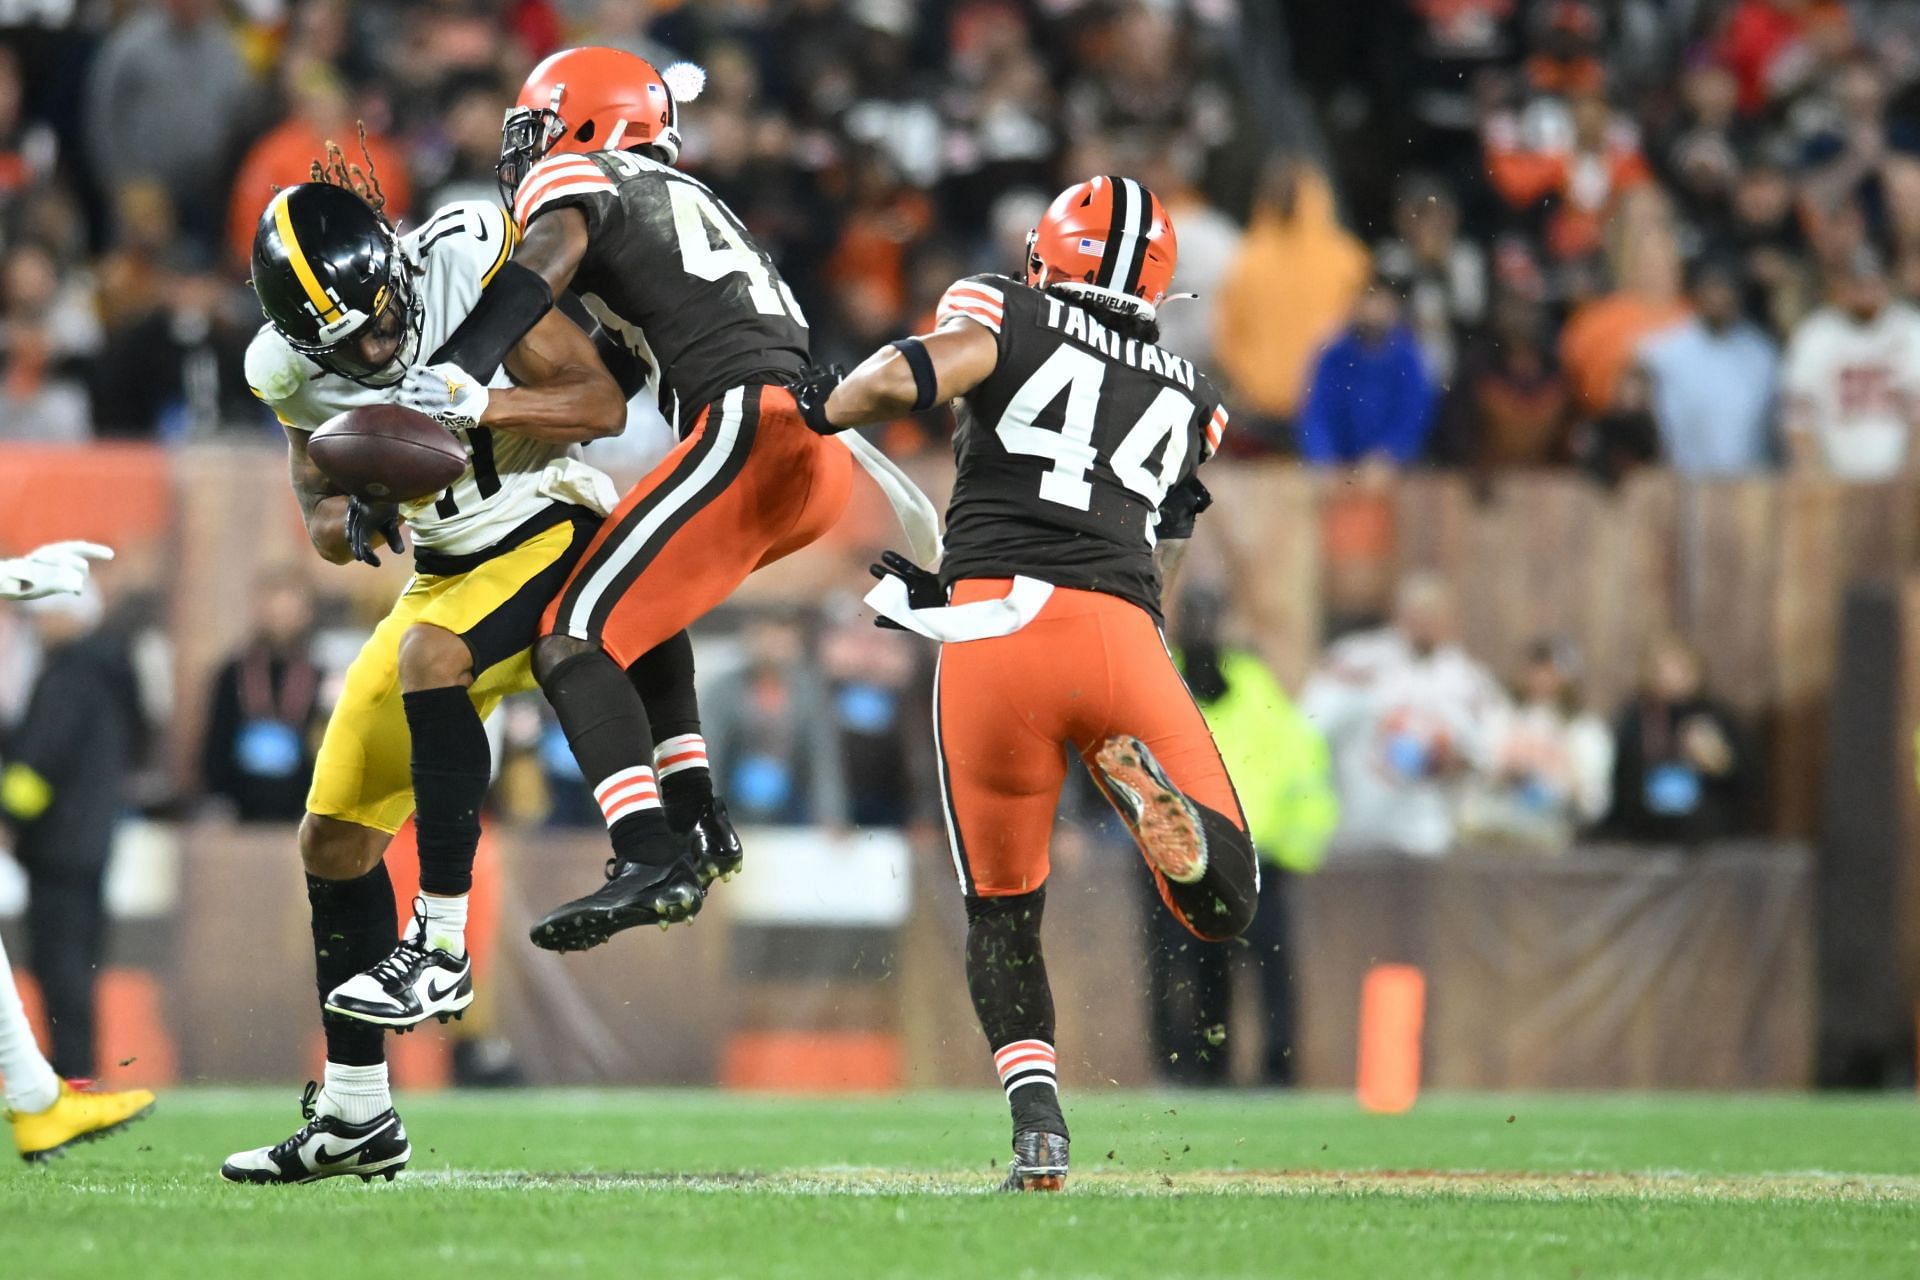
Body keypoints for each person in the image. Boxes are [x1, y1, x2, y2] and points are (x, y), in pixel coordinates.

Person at [221, 149, 728, 1185]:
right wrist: (348, 514)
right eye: (348, 341)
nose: (375, 342)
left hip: (548, 527)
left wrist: (477, 407)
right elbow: (313, 506)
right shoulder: (283, 367)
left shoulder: (457, 260)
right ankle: (357, 1111)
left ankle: (441, 940)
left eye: (378, 316)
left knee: (429, 656)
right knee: (330, 838)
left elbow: (599, 403)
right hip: (446, 569)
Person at [792, 175, 1261, 1191]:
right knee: (1225, 899)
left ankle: (1039, 1130)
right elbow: (1167, 546)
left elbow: (901, 381)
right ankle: (1158, 815)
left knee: (1003, 908)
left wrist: (821, 403)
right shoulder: (1193, 398)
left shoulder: (1006, 305)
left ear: (1048, 256)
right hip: (1121, 630)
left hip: (995, 627)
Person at [409, 48, 922, 951]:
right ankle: (692, 810)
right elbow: (613, 374)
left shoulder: (585, 176)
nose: (527, 154)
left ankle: (647, 852)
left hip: (748, 426)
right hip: (813, 451)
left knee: (570, 634)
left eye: (537, 131)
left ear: (588, 123)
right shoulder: (685, 204)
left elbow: (548, 254)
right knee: (631, 604)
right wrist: (490, 402)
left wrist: (461, 366)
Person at [0, 542, 155, 1161]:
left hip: (60, 843)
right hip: (88, 839)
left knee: (63, 967)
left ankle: (62, 1085)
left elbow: (42, 756)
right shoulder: (109, 668)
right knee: (71, 967)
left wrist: (10, 815)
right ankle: (56, 1089)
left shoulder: (73, 672)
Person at [1147, 585, 1335, 1087]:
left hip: (1258, 857)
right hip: (1184, 857)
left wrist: (1296, 844)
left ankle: (1277, 1069)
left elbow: (1298, 760)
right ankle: (1200, 1070)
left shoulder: (1252, 683)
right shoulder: (1162, 677)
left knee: (1270, 969)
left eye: (1211, 617)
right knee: (1194, 971)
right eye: (1196, 617)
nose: (1204, 629)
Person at [1300, 575, 1506, 857]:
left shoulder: (1468, 679)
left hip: (1430, 835)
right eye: (1418, 612)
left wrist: (1454, 758)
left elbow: (1493, 749)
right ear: (1399, 613)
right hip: (1359, 829)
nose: (1426, 622)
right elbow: (1310, 728)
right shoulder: (1358, 661)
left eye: (1434, 613)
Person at [1458, 638, 1614, 850]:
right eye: (1536, 670)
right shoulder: (1499, 717)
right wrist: (1506, 774)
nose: (1542, 679)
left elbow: (1594, 801)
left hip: (1547, 835)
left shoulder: (1583, 729)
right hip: (1490, 832)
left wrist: (1562, 787)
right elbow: (1475, 768)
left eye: (1550, 672)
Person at [1783, 245, 1920, 480]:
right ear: (1841, 286)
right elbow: (1799, 420)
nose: (1866, 293)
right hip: (1834, 481)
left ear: (1887, 284)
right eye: (1858, 284)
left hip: (1899, 484)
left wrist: (1910, 480)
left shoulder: (1910, 329)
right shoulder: (1815, 335)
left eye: (1873, 283)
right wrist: (1816, 480)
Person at [1602, 634, 1753, 845]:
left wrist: (1718, 760)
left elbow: (1743, 778)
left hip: (1702, 826)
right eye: (1662, 669)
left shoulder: (1715, 716)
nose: (1669, 677)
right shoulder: (1637, 716)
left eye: (1678, 669)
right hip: (1644, 825)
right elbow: (1621, 776)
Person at [1637, 257, 1779, 476]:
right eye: (1711, 287)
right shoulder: (1663, 351)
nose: (1718, 297)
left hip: (1748, 485)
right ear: (1696, 291)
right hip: (1685, 484)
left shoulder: (1762, 355)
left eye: (1725, 287)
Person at [199, 574, 323, 823]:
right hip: (239, 810)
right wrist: (218, 795)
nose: (279, 621)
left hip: (301, 810)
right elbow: (216, 739)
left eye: (288, 612)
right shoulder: (233, 673)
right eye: (273, 612)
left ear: (305, 615)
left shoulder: (318, 677)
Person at [1296, 280, 1439, 467]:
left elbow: (1414, 416)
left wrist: (1389, 454)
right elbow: (1316, 413)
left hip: (1395, 469)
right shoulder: (1333, 356)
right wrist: (1322, 457)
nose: (1374, 312)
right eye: (1368, 302)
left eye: (1381, 304)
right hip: (1338, 466)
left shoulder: (1409, 358)